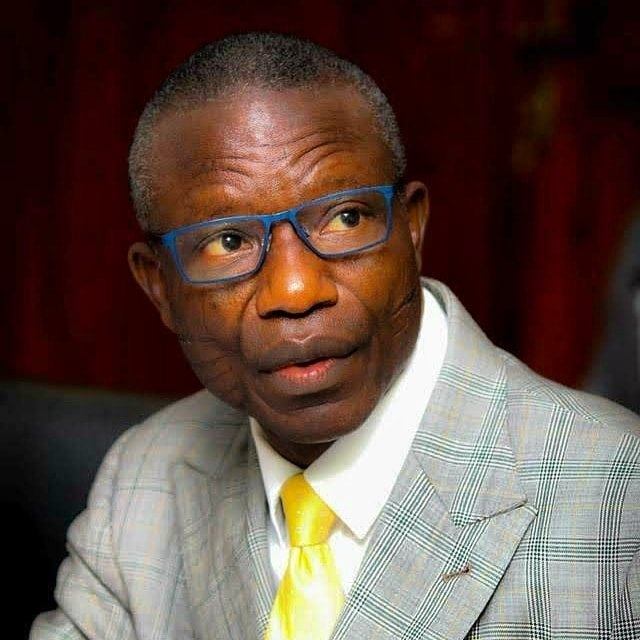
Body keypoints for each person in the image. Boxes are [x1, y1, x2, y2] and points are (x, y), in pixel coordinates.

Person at [31, 32, 639, 640]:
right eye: (228, 241)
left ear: (412, 229)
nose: (296, 290)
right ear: (159, 287)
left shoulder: (616, 495)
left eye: (346, 218)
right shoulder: (143, 475)